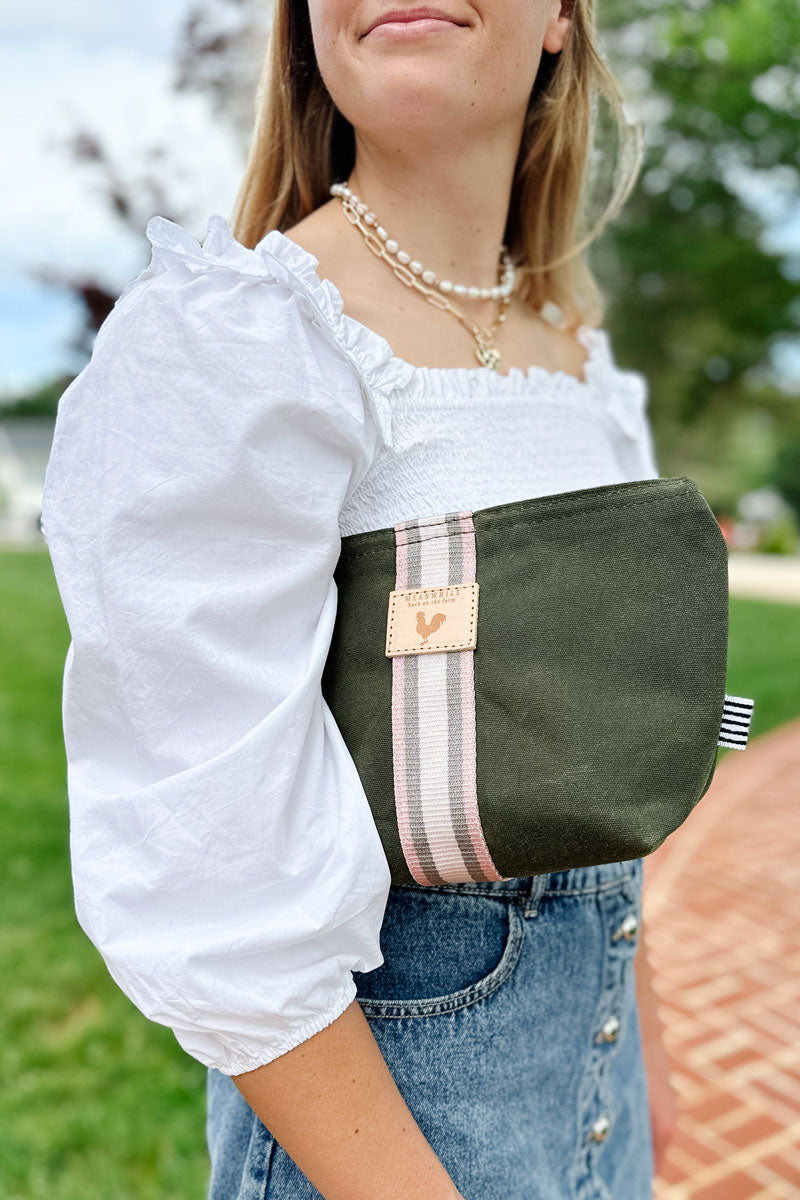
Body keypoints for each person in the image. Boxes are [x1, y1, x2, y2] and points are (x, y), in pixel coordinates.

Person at [41, 0, 678, 1195]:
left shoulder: (580, 363)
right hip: (386, 1146)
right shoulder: (238, 342)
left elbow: (600, 787)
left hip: (596, 1106)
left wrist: (640, 1072)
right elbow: (210, 870)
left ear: (558, 19)